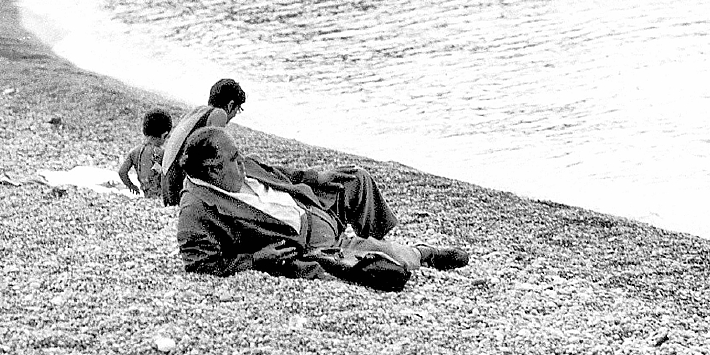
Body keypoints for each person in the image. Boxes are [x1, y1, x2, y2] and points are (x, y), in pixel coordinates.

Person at [176, 127, 468, 291]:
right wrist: (255, 259)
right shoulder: (196, 209)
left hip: (312, 205)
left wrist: (320, 177)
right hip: (308, 242)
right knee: (392, 272)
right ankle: (420, 253)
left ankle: (374, 239)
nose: (242, 161)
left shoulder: (238, 167)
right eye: (234, 159)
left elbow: (283, 174)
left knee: (355, 178)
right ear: (213, 170)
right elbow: (200, 265)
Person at [161, 78, 247, 206]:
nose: (234, 115)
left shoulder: (199, 111)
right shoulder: (219, 114)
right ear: (230, 105)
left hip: (167, 183)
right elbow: (220, 153)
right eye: (237, 110)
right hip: (179, 188)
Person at [118, 109, 173, 198]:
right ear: (164, 135)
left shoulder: (135, 152)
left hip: (147, 195)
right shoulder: (162, 153)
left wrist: (131, 186)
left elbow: (122, 172)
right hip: (161, 197)